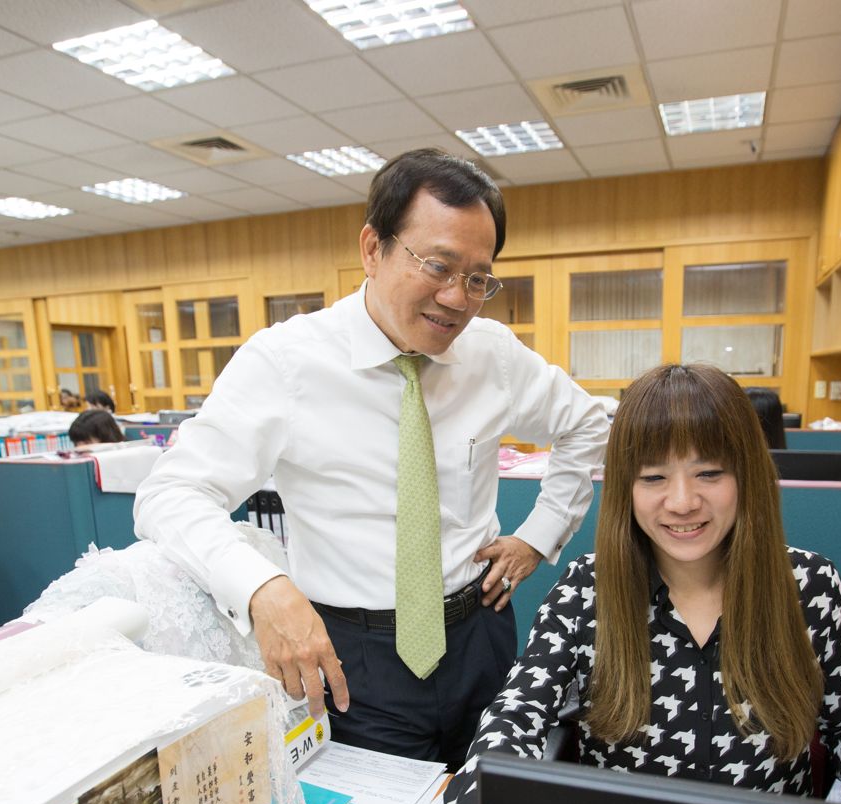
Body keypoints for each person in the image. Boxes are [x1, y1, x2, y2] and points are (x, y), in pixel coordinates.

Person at [409, 364, 841, 804]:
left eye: (709, 472)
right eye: (654, 477)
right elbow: (517, 710)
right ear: (626, 487)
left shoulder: (808, 589)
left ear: (747, 474)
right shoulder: (589, 591)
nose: (682, 502)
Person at [135, 148, 609, 767]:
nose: (457, 298)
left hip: (480, 634)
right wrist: (263, 589)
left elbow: (585, 425)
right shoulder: (285, 362)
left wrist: (539, 534)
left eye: (478, 278)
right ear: (372, 249)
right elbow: (170, 495)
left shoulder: (490, 354)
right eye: (438, 266)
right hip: (354, 658)